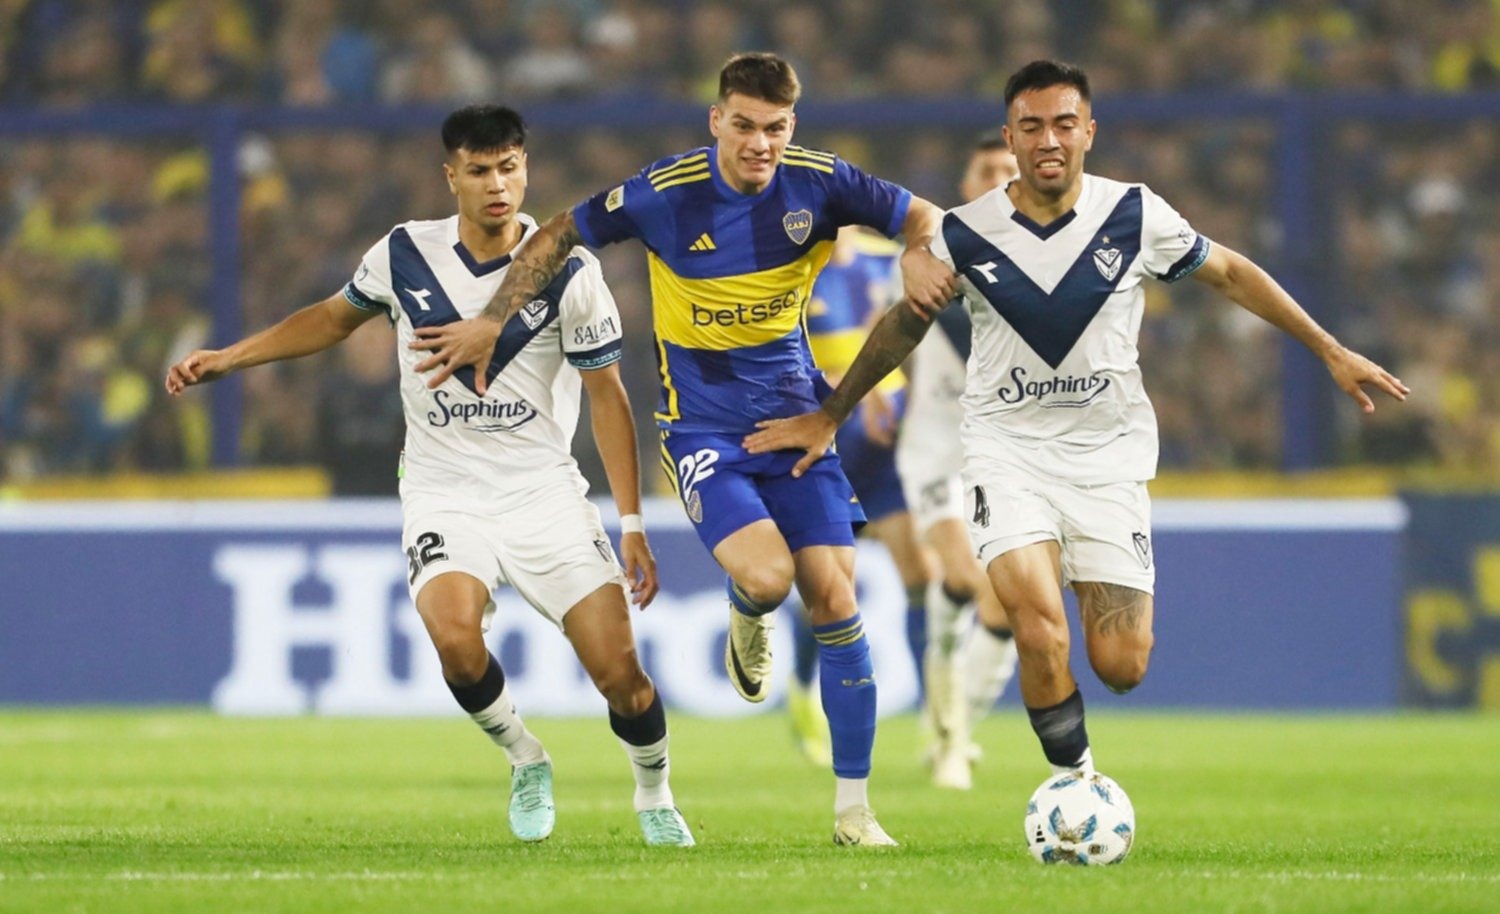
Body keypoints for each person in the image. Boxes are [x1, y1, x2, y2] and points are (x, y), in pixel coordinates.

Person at [743, 60, 1408, 779]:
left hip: (1108, 458)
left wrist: (1331, 350)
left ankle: (1012, 742)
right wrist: (832, 414)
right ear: (1011, 137)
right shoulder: (967, 233)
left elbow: (1232, 273)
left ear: (1090, 131)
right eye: (1031, 127)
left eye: (1064, 124)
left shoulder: (1135, 215)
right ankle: (1074, 780)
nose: (1048, 140)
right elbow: (905, 323)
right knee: (1037, 624)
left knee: (1122, 664)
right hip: (1005, 451)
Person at [407, 52, 958, 846]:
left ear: (791, 127)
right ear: (716, 121)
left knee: (837, 600)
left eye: (775, 128)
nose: (759, 144)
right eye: (744, 126)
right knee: (768, 577)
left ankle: (854, 812)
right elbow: (559, 232)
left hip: (798, 419)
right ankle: (749, 608)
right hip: (702, 430)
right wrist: (495, 318)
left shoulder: (823, 182)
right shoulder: (665, 193)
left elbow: (925, 216)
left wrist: (917, 247)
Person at [165, 105, 694, 847]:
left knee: (621, 676)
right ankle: (525, 756)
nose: (496, 185)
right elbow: (331, 318)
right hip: (444, 490)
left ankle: (654, 793)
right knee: (454, 638)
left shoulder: (571, 271)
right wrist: (231, 357)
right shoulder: (404, 252)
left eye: (508, 168)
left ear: (526, 168)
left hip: (543, 493)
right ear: (451, 177)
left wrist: (632, 522)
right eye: (479, 171)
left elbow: (608, 398)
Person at [896, 133, 1022, 790]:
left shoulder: (1053, 260)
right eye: (986, 171)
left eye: (1009, 169)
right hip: (938, 454)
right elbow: (902, 327)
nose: (999, 178)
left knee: (1006, 605)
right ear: (967, 187)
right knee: (968, 577)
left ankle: (953, 730)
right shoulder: (937, 253)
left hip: (1005, 458)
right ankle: (948, 735)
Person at [789, 225, 933, 775]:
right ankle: (802, 688)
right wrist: (846, 392)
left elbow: (921, 338)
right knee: (827, 585)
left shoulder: (890, 260)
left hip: (890, 439)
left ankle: (934, 714)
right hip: (831, 436)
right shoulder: (796, 266)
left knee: (920, 573)